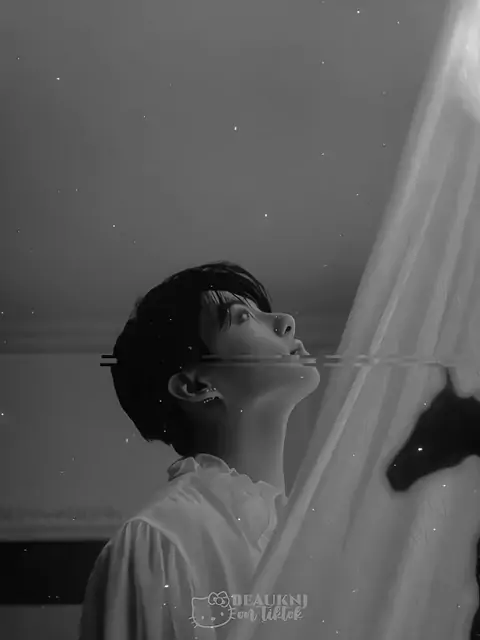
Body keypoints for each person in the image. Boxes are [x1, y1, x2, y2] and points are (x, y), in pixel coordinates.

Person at [78, 260, 320, 640]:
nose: (285, 321)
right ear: (195, 386)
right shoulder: (160, 542)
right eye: (243, 318)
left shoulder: (304, 536)